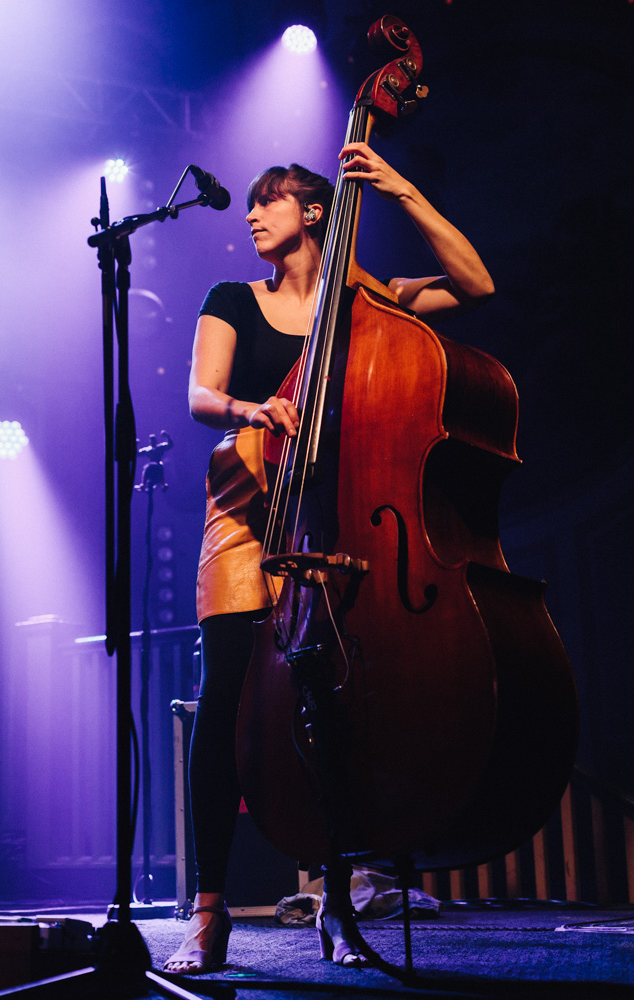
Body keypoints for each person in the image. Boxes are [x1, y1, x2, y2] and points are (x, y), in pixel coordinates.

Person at [163, 142, 495, 975]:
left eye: (269, 200)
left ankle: (339, 902)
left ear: (313, 212)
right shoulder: (232, 298)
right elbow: (201, 396)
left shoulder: (363, 302)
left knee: (333, 703)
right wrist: (254, 406)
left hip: (336, 513)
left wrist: (401, 186)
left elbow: (476, 285)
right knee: (226, 700)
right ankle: (209, 913)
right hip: (249, 501)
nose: (251, 214)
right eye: (250, 204)